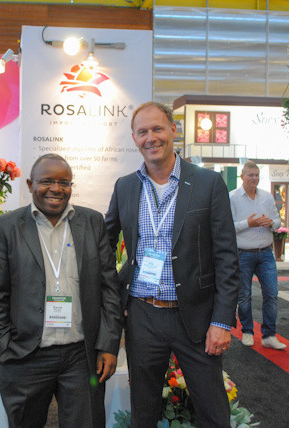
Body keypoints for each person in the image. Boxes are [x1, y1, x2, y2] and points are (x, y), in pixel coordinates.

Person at [105, 102, 240, 428]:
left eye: (157, 129)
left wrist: (222, 321)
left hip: (194, 315)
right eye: (142, 132)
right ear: (134, 138)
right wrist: (114, 299)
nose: (151, 138)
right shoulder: (126, 186)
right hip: (142, 315)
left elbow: (226, 257)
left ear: (173, 130)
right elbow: (103, 245)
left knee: (213, 412)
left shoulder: (208, 183)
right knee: (143, 412)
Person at [0, 154, 122, 428]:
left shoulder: (92, 222)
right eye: (47, 181)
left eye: (64, 182)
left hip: (81, 356)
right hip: (25, 355)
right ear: (30, 184)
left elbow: (109, 287)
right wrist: (3, 349)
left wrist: (108, 344)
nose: (56, 189)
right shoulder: (7, 226)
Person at [229, 161, 287, 350]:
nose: (254, 178)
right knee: (244, 295)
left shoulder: (267, 196)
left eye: (256, 175)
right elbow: (227, 227)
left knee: (272, 294)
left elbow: (277, 221)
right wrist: (248, 223)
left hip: (266, 253)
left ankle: (269, 335)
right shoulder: (232, 197)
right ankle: (247, 331)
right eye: (250, 175)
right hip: (242, 253)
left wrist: (271, 223)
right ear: (242, 177)